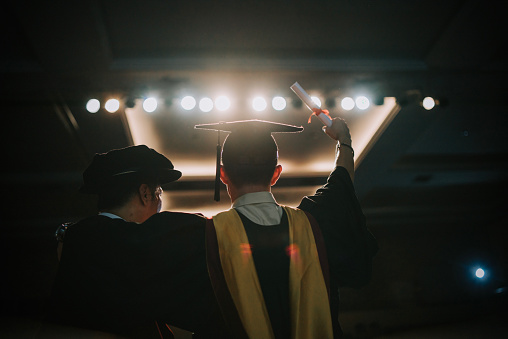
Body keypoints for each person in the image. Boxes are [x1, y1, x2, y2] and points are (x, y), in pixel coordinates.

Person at [193, 118, 378, 338]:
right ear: (276, 173)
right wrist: (344, 141)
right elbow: (341, 187)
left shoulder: (203, 238)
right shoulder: (313, 225)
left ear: (222, 174)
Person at [43, 145, 194, 338]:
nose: (159, 203)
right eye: (159, 192)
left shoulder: (72, 238)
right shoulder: (136, 242)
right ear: (145, 193)